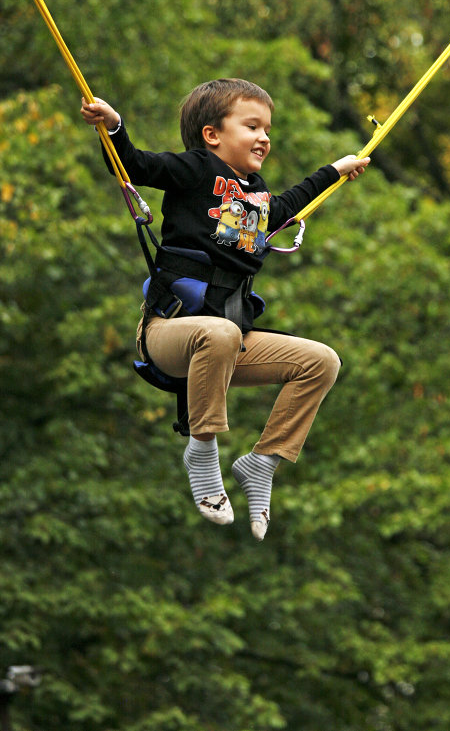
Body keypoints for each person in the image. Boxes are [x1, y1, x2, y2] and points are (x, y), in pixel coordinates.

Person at [81, 78, 370, 541]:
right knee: (219, 332)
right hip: (170, 333)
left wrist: (336, 170)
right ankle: (202, 448)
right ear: (213, 135)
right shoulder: (194, 170)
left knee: (320, 361)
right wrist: (114, 128)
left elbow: (289, 203)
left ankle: (262, 462)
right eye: (252, 126)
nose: (264, 137)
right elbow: (134, 166)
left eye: (268, 129)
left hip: (228, 337)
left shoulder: (254, 194)